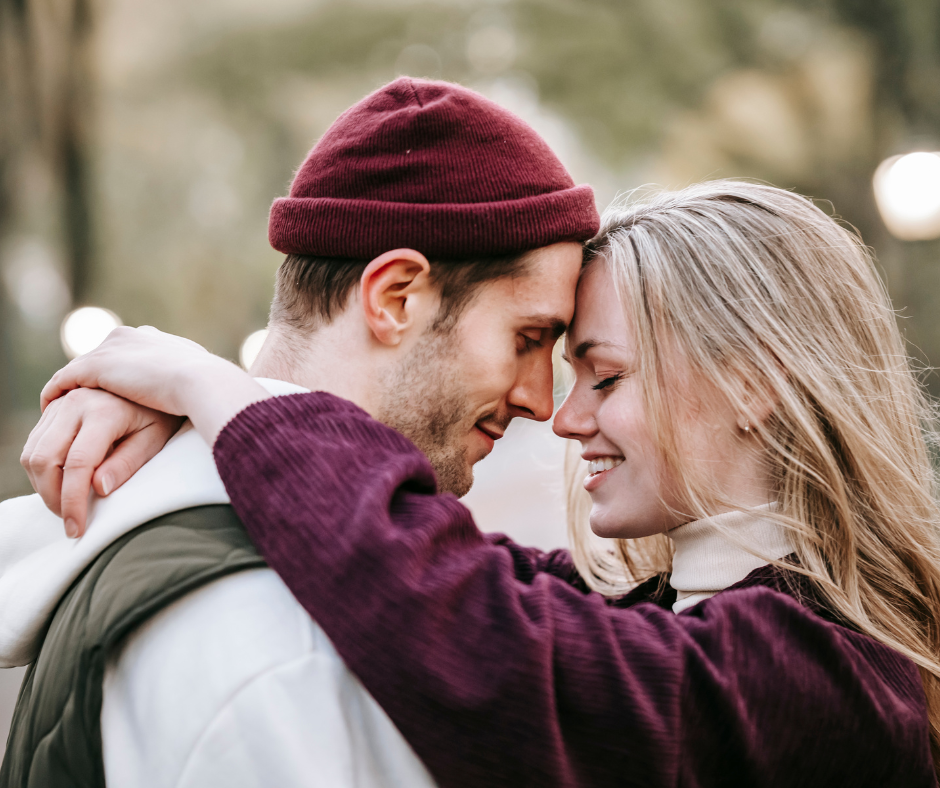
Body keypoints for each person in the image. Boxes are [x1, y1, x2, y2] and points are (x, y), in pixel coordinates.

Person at [29, 180, 940, 787]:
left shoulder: (839, 682)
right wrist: (200, 419)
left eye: (606, 376)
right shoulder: (676, 616)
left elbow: (465, 622)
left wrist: (218, 392)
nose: (563, 415)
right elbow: (426, 564)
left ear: (756, 382)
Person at [0, 76, 598, 788]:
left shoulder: (192, 541)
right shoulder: (287, 632)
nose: (540, 401)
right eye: (529, 337)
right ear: (395, 298)